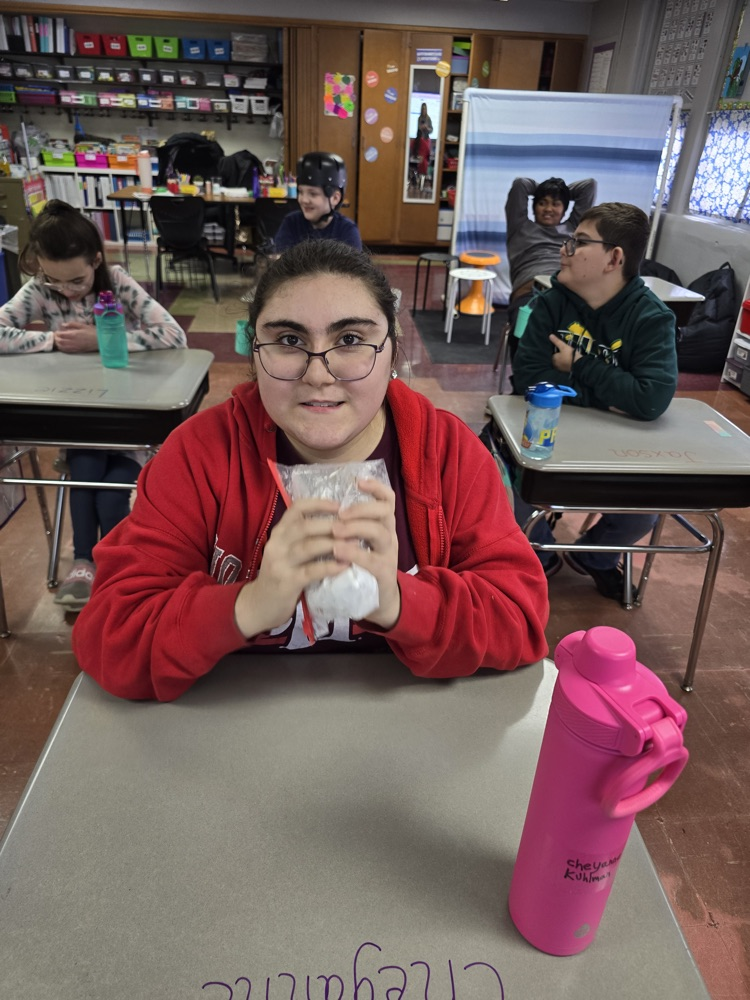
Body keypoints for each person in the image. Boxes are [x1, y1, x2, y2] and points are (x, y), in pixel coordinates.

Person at [72, 240, 549, 701]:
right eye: (289, 340)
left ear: (391, 350)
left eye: (350, 340)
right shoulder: (199, 454)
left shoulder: (448, 454)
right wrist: (248, 605)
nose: (318, 375)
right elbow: (111, 639)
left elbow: (520, 620)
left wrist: (398, 602)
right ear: (254, 351)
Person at [0, 200, 187, 609]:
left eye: (76, 280)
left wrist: (101, 340)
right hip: (80, 416)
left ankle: (110, 565)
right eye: (53, 280)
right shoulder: (41, 289)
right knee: (84, 467)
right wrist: (52, 340)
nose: (66, 290)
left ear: (97, 260)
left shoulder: (116, 283)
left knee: (108, 494)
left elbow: (174, 335)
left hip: (126, 419)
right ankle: (85, 563)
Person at [511, 201, 678, 600]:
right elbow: (529, 377)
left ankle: (595, 556)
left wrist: (577, 365)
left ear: (614, 259)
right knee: (503, 480)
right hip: (550, 433)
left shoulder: (651, 318)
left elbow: (651, 398)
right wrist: (612, 394)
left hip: (618, 445)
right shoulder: (552, 302)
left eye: (579, 242)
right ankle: (542, 552)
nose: (564, 249)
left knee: (646, 508)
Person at [505, 176, 597, 338]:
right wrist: (547, 189)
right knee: (527, 337)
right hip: (531, 294)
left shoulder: (575, 229)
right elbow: (520, 185)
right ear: (534, 207)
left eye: (555, 204)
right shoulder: (519, 226)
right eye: (542, 203)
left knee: (587, 337)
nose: (548, 209)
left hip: (568, 294)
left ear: (564, 209)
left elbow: (589, 186)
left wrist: (560, 191)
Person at [273, 151, 362, 253]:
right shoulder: (291, 223)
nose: (304, 200)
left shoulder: (347, 231)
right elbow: (281, 259)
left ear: (335, 198)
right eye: (301, 192)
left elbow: (353, 263)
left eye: (313, 194)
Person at [415, 103, 433, 190]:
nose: (424, 110)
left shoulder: (428, 118)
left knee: (425, 160)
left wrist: (427, 128)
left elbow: (431, 129)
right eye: (422, 109)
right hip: (420, 140)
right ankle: (419, 180)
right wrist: (421, 128)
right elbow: (418, 129)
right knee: (420, 161)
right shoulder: (419, 118)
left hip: (426, 139)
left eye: (425, 109)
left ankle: (424, 180)